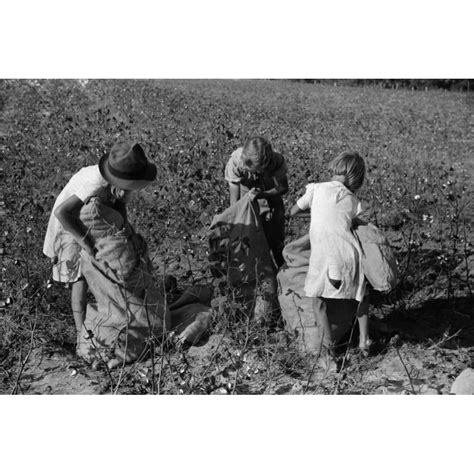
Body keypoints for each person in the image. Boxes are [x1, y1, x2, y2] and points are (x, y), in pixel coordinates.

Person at [43, 140, 157, 349]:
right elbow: (62, 212)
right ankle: (81, 333)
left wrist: (125, 232)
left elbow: (120, 207)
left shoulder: (114, 184)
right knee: (80, 279)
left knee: (100, 270)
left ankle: (108, 314)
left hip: (90, 223)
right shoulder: (94, 184)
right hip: (70, 228)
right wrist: (83, 242)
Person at [289, 151, 371, 368]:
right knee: (360, 296)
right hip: (350, 255)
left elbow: (293, 212)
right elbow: (351, 222)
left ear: (336, 167)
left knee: (319, 303)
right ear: (356, 178)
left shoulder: (316, 189)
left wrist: (314, 213)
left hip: (327, 256)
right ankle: (364, 341)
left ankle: (328, 353)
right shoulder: (353, 200)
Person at [224, 137, 288, 267]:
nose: (256, 174)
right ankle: (259, 272)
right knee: (251, 239)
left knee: (276, 241)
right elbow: (234, 201)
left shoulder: (276, 160)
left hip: (271, 196)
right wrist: (237, 220)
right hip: (246, 199)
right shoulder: (236, 162)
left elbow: (283, 187)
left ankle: (282, 272)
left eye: (260, 170)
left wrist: (262, 195)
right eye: (252, 170)